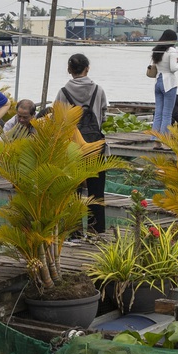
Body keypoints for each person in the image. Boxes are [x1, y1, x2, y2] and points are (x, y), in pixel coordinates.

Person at [57, 53, 109, 234]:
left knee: (73, 192)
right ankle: (97, 231)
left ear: (69, 70)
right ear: (88, 68)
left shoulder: (63, 93)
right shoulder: (98, 90)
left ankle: (74, 232)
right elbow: (102, 117)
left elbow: (58, 121)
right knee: (97, 193)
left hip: (72, 150)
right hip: (95, 146)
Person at [148, 29, 178, 137]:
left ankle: (155, 139)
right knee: (167, 113)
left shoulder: (157, 50)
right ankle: (164, 140)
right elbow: (173, 68)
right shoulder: (171, 50)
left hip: (158, 81)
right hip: (169, 83)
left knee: (158, 113)